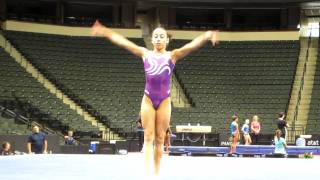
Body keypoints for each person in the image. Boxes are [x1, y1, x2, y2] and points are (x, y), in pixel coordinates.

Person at [91, 20, 218, 176]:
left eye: (161, 36)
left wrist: (206, 35)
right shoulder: (145, 53)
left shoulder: (173, 55)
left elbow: (190, 46)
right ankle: (146, 175)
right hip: (148, 100)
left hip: (164, 101)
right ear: (151, 40)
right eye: (155, 36)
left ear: (167, 40)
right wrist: (105, 31)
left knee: (159, 138)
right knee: (148, 137)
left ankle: (156, 175)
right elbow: (124, 42)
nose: (158, 38)